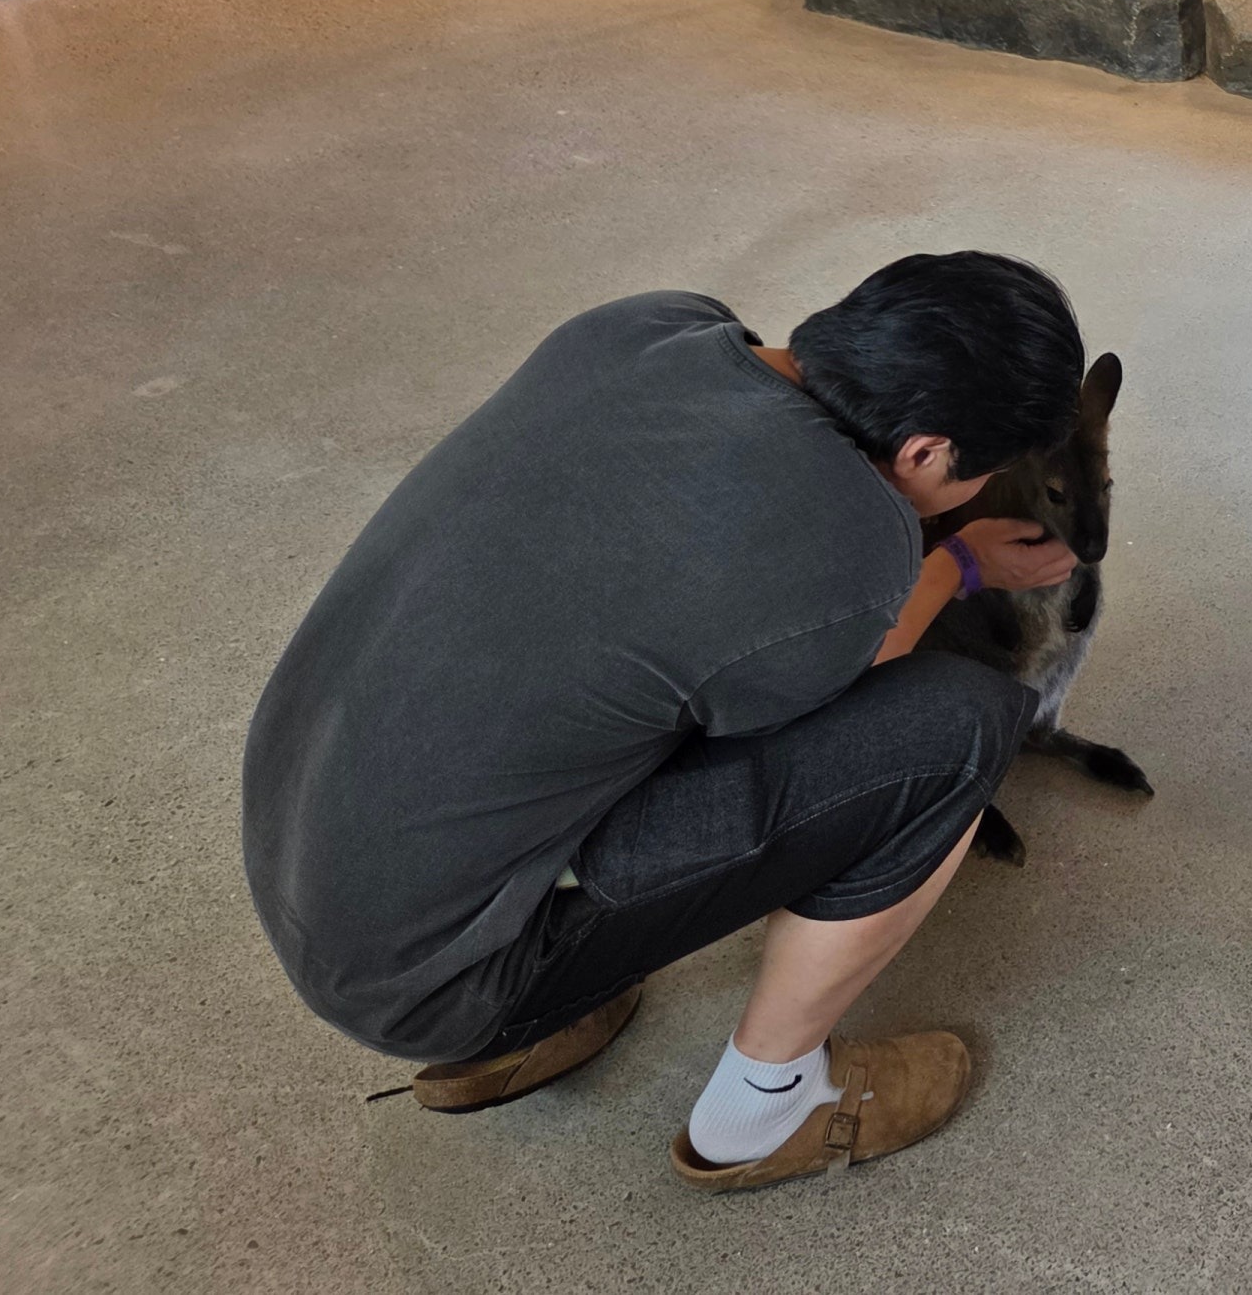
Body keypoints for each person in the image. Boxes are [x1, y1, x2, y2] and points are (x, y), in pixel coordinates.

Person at [242, 254, 1093, 1192]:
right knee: (955, 731)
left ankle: (559, 1002)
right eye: (988, 473)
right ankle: (768, 1107)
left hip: (297, 845)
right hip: (437, 981)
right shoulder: (850, 541)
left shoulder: (651, 325)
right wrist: (957, 565)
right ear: (928, 453)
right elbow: (848, 698)